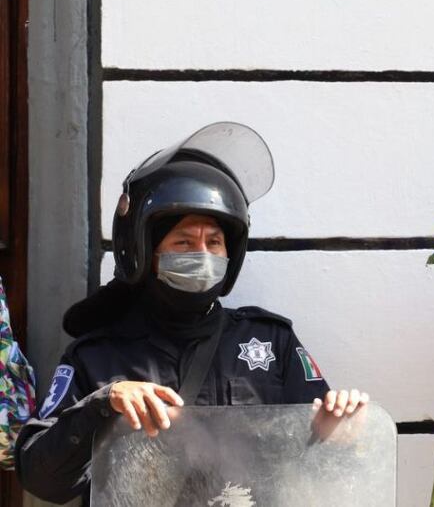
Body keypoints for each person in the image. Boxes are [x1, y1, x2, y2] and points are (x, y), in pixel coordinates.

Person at [16, 123, 367, 503]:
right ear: (145, 251)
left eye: (214, 242)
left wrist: (336, 435)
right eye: (183, 242)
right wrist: (103, 404)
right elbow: (41, 479)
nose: (202, 254)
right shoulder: (96, 357)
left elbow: (326, 477)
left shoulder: (269, 341)